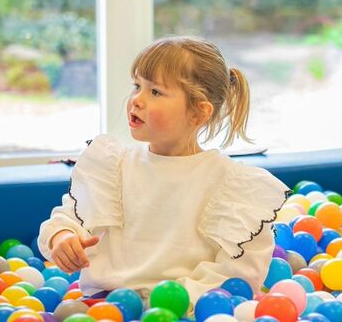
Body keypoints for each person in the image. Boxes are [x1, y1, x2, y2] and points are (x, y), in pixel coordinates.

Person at [38, 36, 287, 301]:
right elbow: (68, 218)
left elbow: (240, 272)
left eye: (155, 91)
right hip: (106, 305)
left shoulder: (230, 185)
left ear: (198, 113)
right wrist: (61, 238)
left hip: (189, 310)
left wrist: (172, 300)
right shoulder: (115, 168)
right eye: (137, 86)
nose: (136, 100)